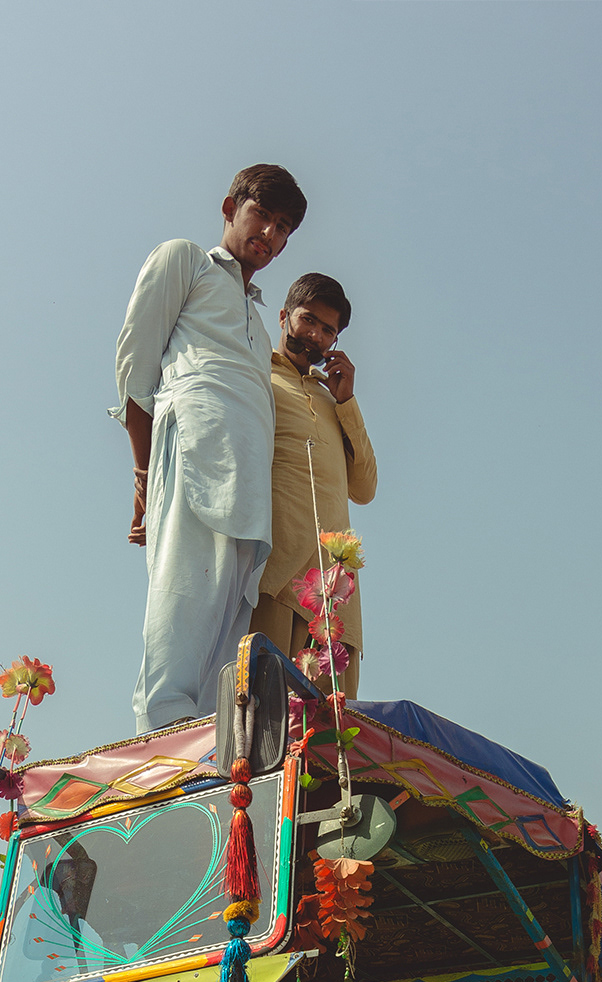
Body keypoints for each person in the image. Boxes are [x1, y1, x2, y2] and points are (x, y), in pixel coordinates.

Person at [112, 164, 306, 731]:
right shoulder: (186, 261)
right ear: (229, 208)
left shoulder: (261, 323)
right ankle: (162, 750)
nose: (269, 234)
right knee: (179, 613)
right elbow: (134, 369)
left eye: (283, 227)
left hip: (248, 488)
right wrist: (143, 474)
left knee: (226, 639)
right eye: (261, 216)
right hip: (193, 454)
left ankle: (207, 765)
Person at [250, 272, 377, 697]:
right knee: (262, 722)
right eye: (309, 321)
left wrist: (347, 403)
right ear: (284, 316)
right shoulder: (256, 374)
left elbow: (365, 487)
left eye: (328, 331)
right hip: (275, 576)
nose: (316, 336)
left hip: (334, 590)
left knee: (329, 733)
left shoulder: (333, 398)